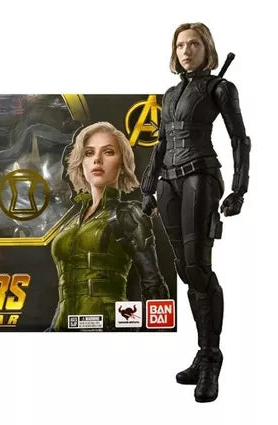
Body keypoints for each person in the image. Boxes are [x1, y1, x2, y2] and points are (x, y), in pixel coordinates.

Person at [141, 23, 250, 403]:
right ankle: (202, 352)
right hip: (168, 183)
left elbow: (240, 139)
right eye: (180, 45)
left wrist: (239, 189)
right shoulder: (170, 94)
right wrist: (147, 188)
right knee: (186, 272)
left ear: (207, 49)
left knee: (199, 268)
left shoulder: (220, 88)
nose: (186, 51)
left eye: (194, 44)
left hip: (200, 177)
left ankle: (211, 358)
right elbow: (161, 143)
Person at [50, 122, 170, 331]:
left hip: (110, 326)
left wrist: (154, 338)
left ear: (122, 164)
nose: (97, 159)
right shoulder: (70, 223)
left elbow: (154, 286)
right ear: (81, 163)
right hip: (63, 328)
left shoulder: (127, 214)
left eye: (108, 152)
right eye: (89, 153)